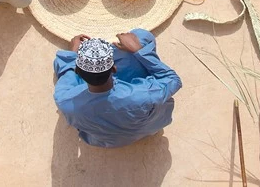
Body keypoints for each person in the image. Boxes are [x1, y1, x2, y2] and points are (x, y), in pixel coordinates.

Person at [53, 29, 181, 148]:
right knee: (142, 37)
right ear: (114, 68)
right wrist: (139, 50)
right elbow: (173, 80)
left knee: (65, 69)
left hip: (104, 142)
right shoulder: (144, 94)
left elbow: (65, 73)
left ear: (78, 72)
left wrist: (72, 54)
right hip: (148, 128)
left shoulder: (65, 100)